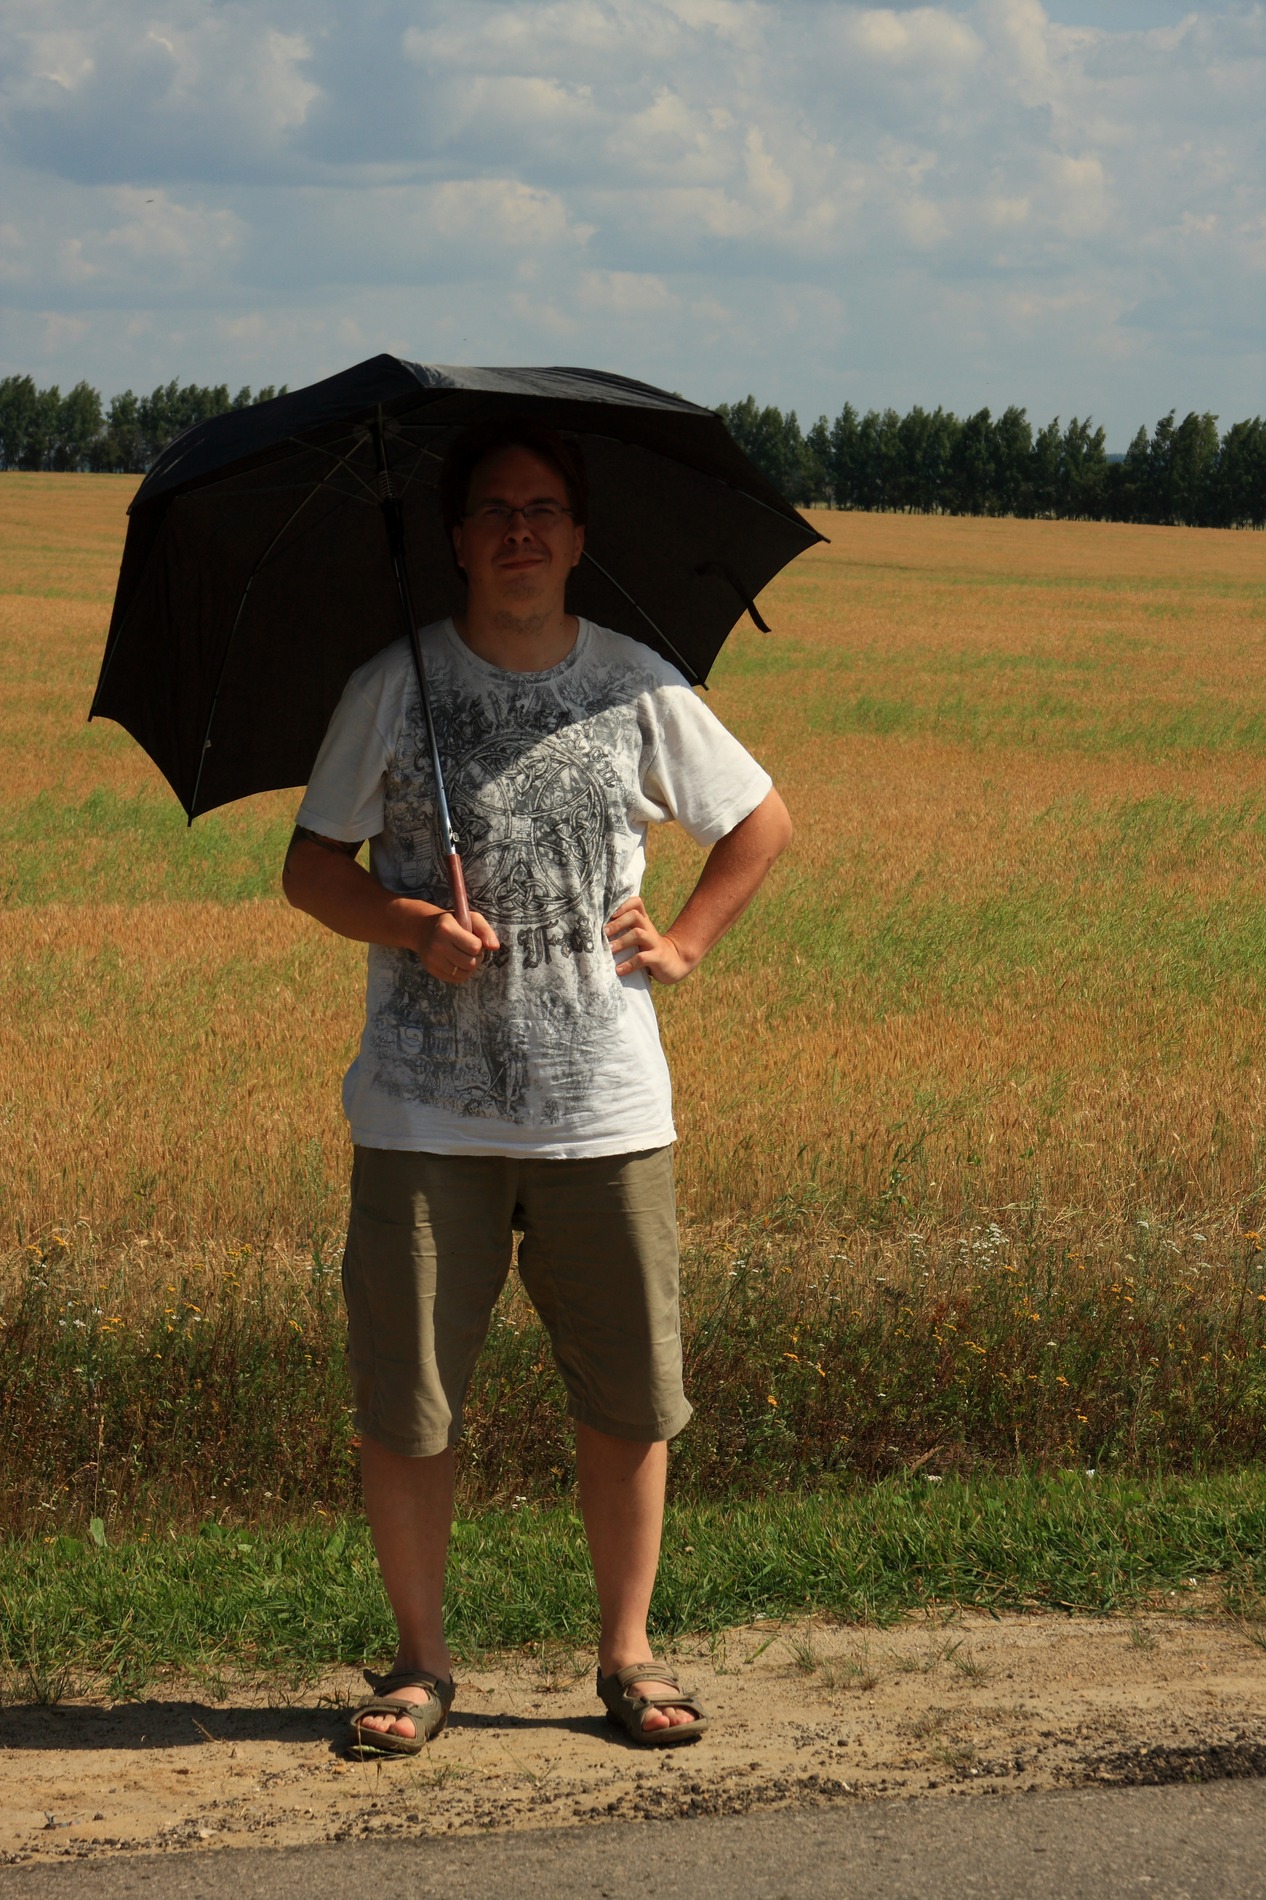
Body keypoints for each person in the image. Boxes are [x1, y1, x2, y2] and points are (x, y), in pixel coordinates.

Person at [282, 418, 791, 1754]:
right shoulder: (390, 686)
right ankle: (418, 1665)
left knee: (628, 1399)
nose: (521, 529)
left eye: (544, 509)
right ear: (456, 542)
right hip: (421, 1116)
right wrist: (410, 925)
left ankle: (628, 1656)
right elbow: (309, 868)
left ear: (576, 539)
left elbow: (758, 820)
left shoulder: (638, 682)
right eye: (497, 510)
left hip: (603, 1110)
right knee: (410, 1405)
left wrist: (684, 941)